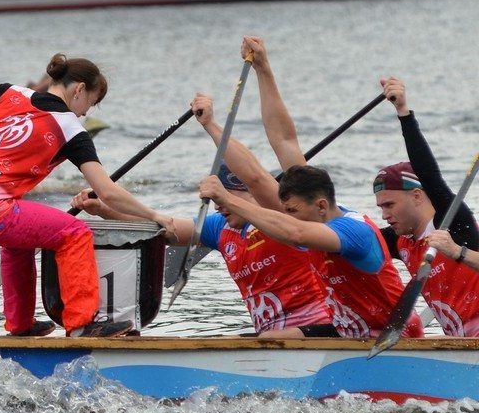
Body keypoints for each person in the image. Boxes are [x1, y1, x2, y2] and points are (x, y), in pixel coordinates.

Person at [0, 53, 172, 338]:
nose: (83, 114)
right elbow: (106, 191)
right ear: (79, 89)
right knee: (74, 233)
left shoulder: (9, 92)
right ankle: (82, 323)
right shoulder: (69, 127)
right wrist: (154, 215)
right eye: (90, 104)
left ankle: (20, 325)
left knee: (20, 238)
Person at [196, 36, 422, 340]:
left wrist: (228, 199)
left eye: (291, 211)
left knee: (269, 339)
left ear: (319, 207)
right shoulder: (310, 215)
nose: (286, 215)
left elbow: (293, 231)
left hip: (394, 338)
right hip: (352, 336)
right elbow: (284, 140)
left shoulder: (350, 231)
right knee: (252, 339)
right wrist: (263, 68)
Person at [80, 93, 337, 338]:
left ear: (251, 194)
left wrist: (211, 125)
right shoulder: (221, 228)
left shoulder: (282, 217)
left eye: (226, 198)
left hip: (320, 330)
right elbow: (164, 229)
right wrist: (105, 210)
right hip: (271, 335)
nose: (218, 206)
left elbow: (258, 174)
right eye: (215, 200)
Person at [371, 77, 479, 335]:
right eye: (381, 207)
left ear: (418, 196)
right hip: (462, 347)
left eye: (390, 205)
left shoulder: (452, 219)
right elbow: (332, 234)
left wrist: (404, 114)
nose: (385, 215)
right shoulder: (399, 240)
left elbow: (429, 174)